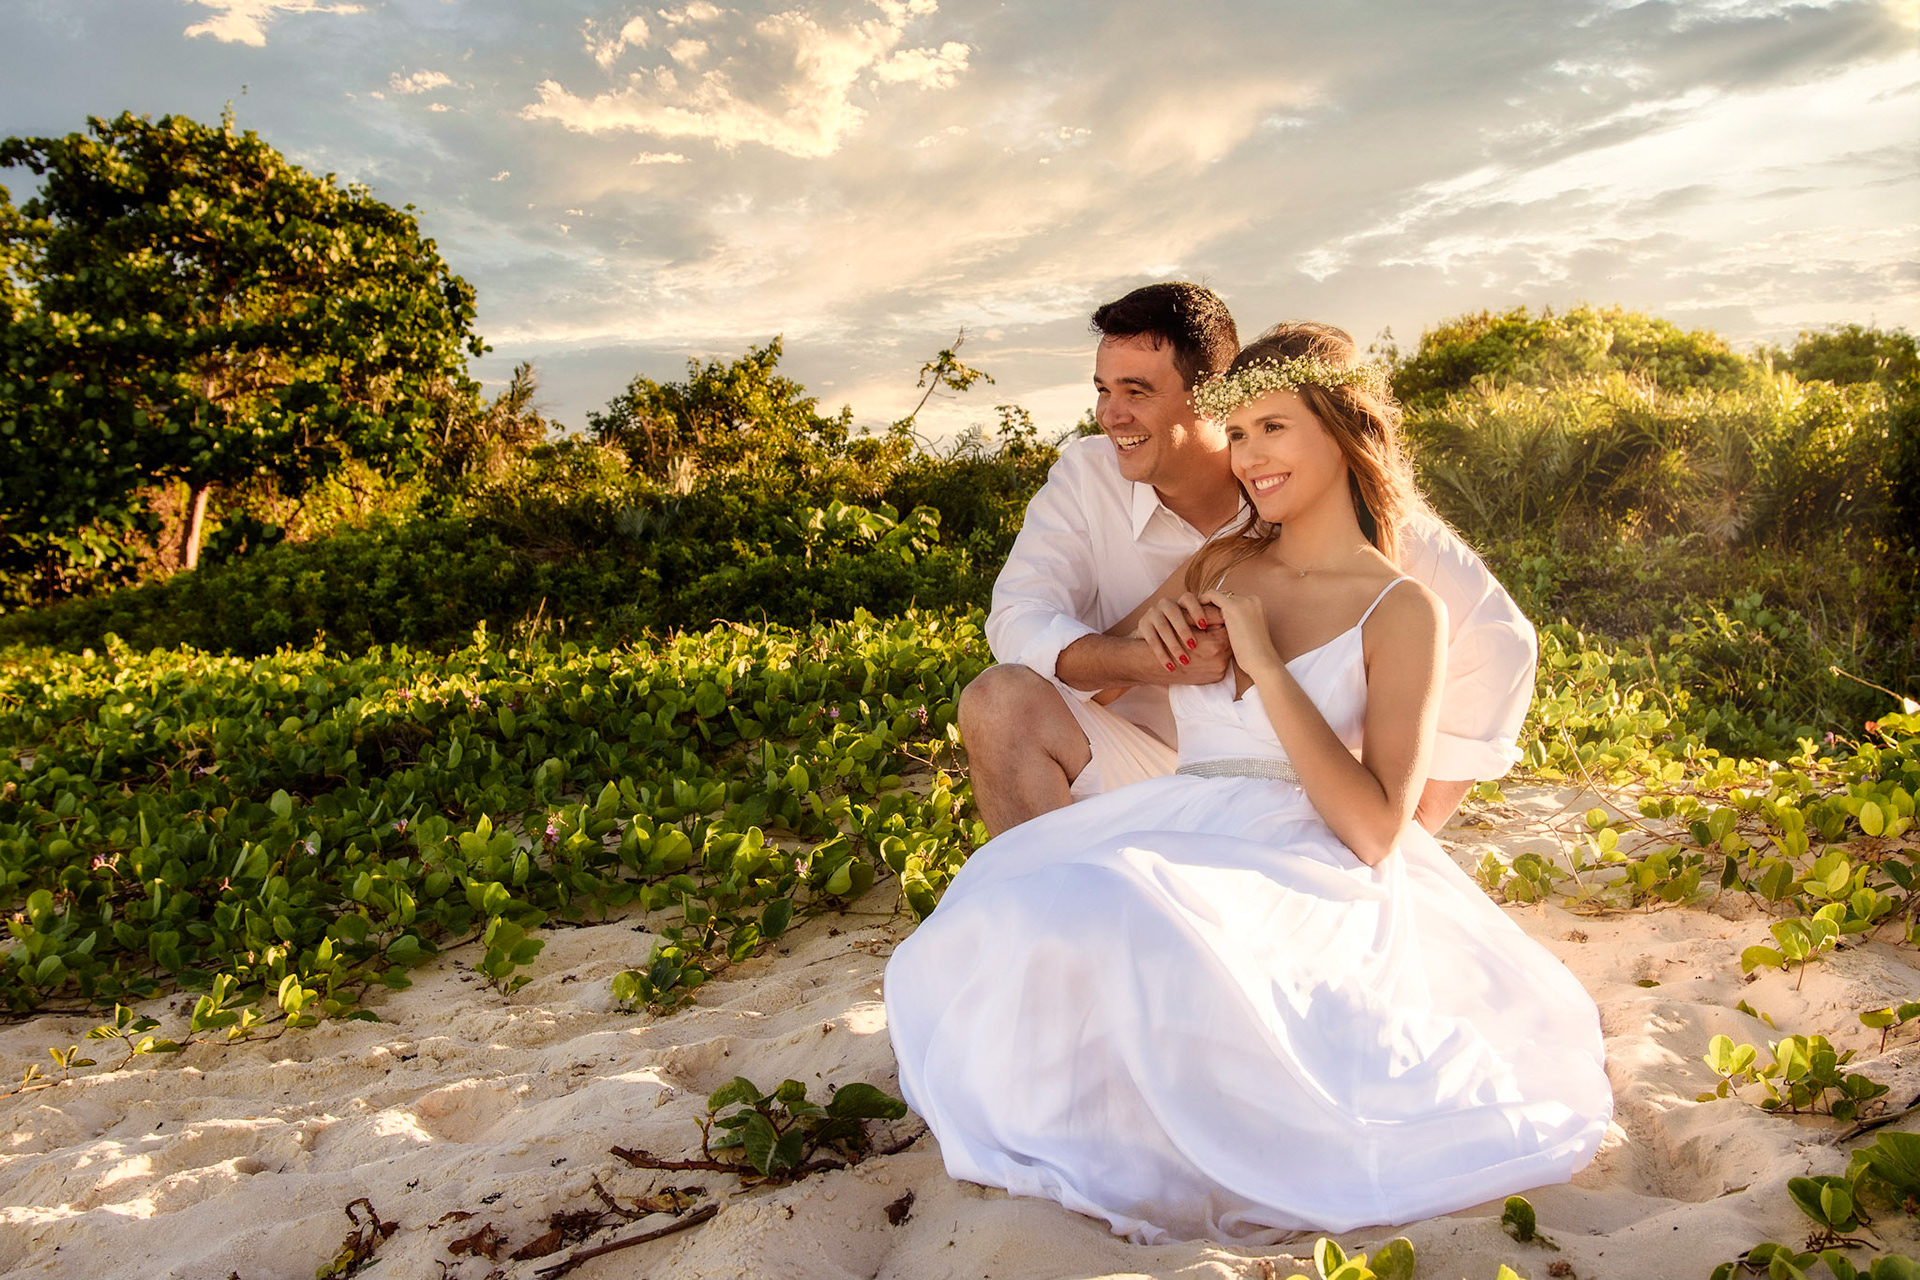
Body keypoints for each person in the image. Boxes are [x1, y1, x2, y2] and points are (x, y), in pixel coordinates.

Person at [884, 322, 1612, 1244]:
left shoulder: (1406, 605)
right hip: (1184, 809)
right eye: (1239, 433)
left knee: (1133, 909)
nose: (1250, 457)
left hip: (1304, 841)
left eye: (1274, 429)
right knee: (1032, 898)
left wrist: (1266, 665)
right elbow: (1105, 677)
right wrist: (1168, 649)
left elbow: (1381, 827)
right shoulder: (1221, 562)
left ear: (1344, 437)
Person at [962, 282, 1535, 837]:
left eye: (1137, 392)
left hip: (1300, 810)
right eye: (1103, 390)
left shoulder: (1380, 537)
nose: (1111, 415)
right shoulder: (1131, 506)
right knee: (998, 702)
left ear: (1211, 394)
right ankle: (1055, 898)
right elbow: (1021, 618)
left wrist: (1414, 828)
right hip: (1149, 778)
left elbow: (1500, 639)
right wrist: (1145, 658)